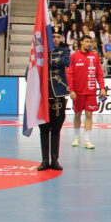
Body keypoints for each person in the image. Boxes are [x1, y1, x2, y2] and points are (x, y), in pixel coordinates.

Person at [67, 35, 106, 149]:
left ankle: (87, 140)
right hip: (78, 92)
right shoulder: (73, 57)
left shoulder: (95, 57)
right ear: (81, 42)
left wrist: (102, 88)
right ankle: (76, 137)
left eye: (90, 42)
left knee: (89, 114)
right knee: (77, 114)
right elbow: (69, 74)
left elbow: (99, 74)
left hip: (91, 91)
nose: (89, 44)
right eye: (87, 41)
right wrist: (71, 90)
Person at [38, 40, 70, 171]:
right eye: (52, 36)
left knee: (56, 129)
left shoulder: (64, 50)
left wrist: (47, 62)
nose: (55, 39)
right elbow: (30, 72)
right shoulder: (39, 52)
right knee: (43, 130)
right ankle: (45, 160)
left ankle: (55, 159)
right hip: (43, 96)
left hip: (58, 95)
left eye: (57, 36)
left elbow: (66, 61)